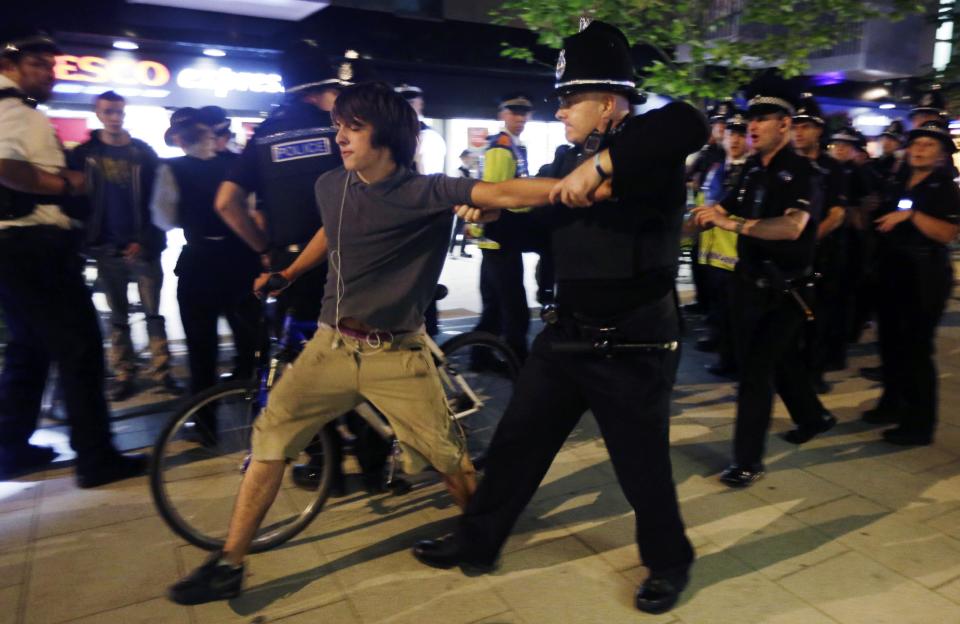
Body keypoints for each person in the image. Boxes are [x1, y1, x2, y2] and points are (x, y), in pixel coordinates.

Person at [167, 81, 576, 605]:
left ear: (383, 135)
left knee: (449, 460)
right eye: (338, 125)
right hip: (330, 347)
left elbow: (502, 194)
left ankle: (479, 537)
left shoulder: (425, 192)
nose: (339, 136)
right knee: (269, 441)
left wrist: (580, 180)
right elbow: (330, 233)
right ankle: (229, 563)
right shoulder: (331, 185)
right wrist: (289, 271)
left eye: (351, 127)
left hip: (396, 355)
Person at [412, 21, 707, 615]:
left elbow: (692, 121)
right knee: (518, 441)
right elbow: (550, 228)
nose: (562, 111)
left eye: (571, 100)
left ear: (609, 102)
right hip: (568, 330)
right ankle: (478, 540)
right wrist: (502, 222)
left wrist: (599, 169)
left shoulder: (650, 142)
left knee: (641, 466)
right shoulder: (570, 155)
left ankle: (669, 563)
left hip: (633, 341)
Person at [0, 30, 146, 486]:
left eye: (51, 65)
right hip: (34, 246)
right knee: (80, 349)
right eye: (39, 64)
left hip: (16, 250)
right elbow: (3, 166)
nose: (50, 75)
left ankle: (11, 448)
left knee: (29, 349)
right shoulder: (14, 113)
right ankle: (95, 458)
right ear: (10, 62)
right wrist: (66, 185)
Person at [692, 73, 836, 489]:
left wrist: (733, 223)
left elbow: (791, 228)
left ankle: (747, 460)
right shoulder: (752, 171)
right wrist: (682, 226)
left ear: (785, 125)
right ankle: (814, 416)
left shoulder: (804, 173)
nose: (752, 125)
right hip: (749, 286)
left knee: (755, 375)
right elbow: (717, 209)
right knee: (781, 360)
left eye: (763, 117)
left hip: (786, 291)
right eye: (750, 117)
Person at [68, 90, 181, 401]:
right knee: (118, 315)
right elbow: (77, 201)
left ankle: (162, 372)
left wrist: (144, 240)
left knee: (153, 313)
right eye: (109, 111)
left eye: (118, 111)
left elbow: (159, 202)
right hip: (105, 247)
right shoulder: (84, 154)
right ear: (99, 113)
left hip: (143, 247)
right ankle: (124, 372)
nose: (114, 117)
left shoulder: (142, 153)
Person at [150, 112, 261, 414]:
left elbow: (165, 218)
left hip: (199, 262)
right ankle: (259, 413)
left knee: (201, 348)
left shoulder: (171, 169)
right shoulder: (235, 166)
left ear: (181, 141)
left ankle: (204, 422)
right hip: (241, 261)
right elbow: (250, 211)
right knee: (250, 339)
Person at [865, 119, 960, 445]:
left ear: (941, 154)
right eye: (916, 143)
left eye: (928, 145)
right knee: (889, 343)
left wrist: (912, 216)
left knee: (917, 350)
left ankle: (920, 424)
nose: (919, 149)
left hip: (925, 276)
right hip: (892, 270)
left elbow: (947, 233)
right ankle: (891, 404)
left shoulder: (944, 186)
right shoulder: (899, 179)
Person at [473, 93, 540, 361]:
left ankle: (480, 357)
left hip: (495, 235)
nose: (520, 118)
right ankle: (517, 360)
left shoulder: (511, 145)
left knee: (494, 303)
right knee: (513, 304)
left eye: (524, 113)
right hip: (500, 233)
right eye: (514, 112)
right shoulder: (502, 147)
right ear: (502, 114)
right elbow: (498, 194)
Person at [791, 94, 848, 391]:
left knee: (817, 318)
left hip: (821, 254)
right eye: (795, 126)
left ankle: (813, 374)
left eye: (806, 126)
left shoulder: (832, 167)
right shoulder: (785, 164)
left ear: (818, 130)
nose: (799, 132)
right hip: (788, 258)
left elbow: (837, 214)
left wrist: (809, 240)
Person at [697, 110, 749, 377]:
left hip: (739, 256)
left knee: (738, 313)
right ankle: (725, 356)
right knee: (719, 309)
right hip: (714, 254)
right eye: (731, 134)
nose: (735, 140)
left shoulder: (751, 172)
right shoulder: (716, 168)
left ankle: (738, 361)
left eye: (742, 134)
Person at [395, 83, 447, 175]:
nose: (404, 108)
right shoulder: (392, 133)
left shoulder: (428, 137)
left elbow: (428, 183)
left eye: (410, 103)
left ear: (420, 104)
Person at [448, 148, 474, 257]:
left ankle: (459, 249)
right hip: (460, 204)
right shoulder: (459, 171)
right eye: (467, 157)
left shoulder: (468, 172)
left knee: (464, 227)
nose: (469, 160)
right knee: (459, 226)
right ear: (463, 158)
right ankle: (453, 248)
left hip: (467, 203)